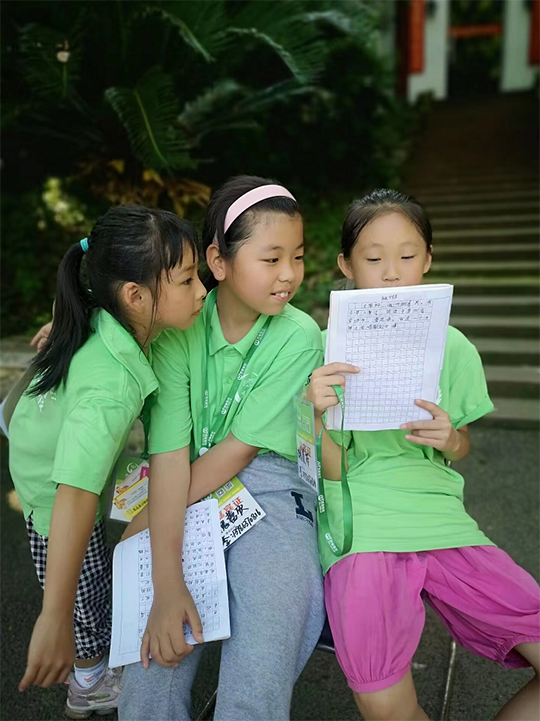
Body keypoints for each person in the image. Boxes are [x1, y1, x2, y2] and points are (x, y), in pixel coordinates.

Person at [307, 189, 540, 721]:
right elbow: (328, 474)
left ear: (429, 260)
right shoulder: (322, 352)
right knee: (383, 704)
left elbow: (458, 449)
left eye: (408, 256)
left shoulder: (453, 347)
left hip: (440, 516)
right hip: (361, 522)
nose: (391, 273)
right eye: (373, 258)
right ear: (345, 265)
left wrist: (450, 438)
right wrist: (317, 417)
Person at [120, 176, 326, 721]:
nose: (290, 275)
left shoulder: (298, 334)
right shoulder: (179, 328)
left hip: (271, 487)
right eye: (272, 257)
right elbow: (169, 455)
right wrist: (166, 585)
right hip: (181, 483)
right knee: (152, 659)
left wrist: (146, 521)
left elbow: (236, 453)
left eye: (298, 257)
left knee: (266, 638)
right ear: (219, 260)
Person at [9, 205, 206, 719]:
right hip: (54, 485)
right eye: (186, 280)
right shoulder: (110, 390)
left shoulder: (107, 313)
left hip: (51, 447)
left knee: (87, 571)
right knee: (84, 593)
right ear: (135, 296)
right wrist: (52, 616)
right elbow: (74, 494)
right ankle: (90, 680)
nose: (202, 291)